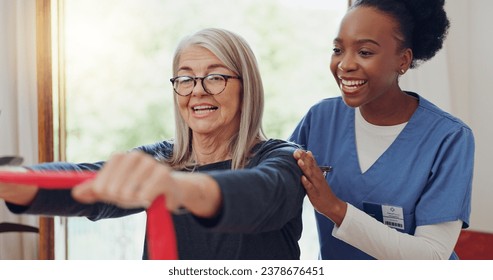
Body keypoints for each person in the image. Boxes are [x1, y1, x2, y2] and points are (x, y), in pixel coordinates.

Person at [0, 28, 305, 260]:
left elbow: (257, 193)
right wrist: (9, 181)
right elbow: (89, 184)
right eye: (185, 79)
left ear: (246, 87)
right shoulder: (162, 159)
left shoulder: (284, 159)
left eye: (215, 77)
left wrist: (176, 188)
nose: (197, 91)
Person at [290, 0, 474, 260]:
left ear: (403, 59)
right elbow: (273, 184)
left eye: (364, 52)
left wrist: (335, 208)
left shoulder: (449, 138)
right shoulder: (320, 118)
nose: (345, 64)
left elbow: (432, 257)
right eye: (338, 49)